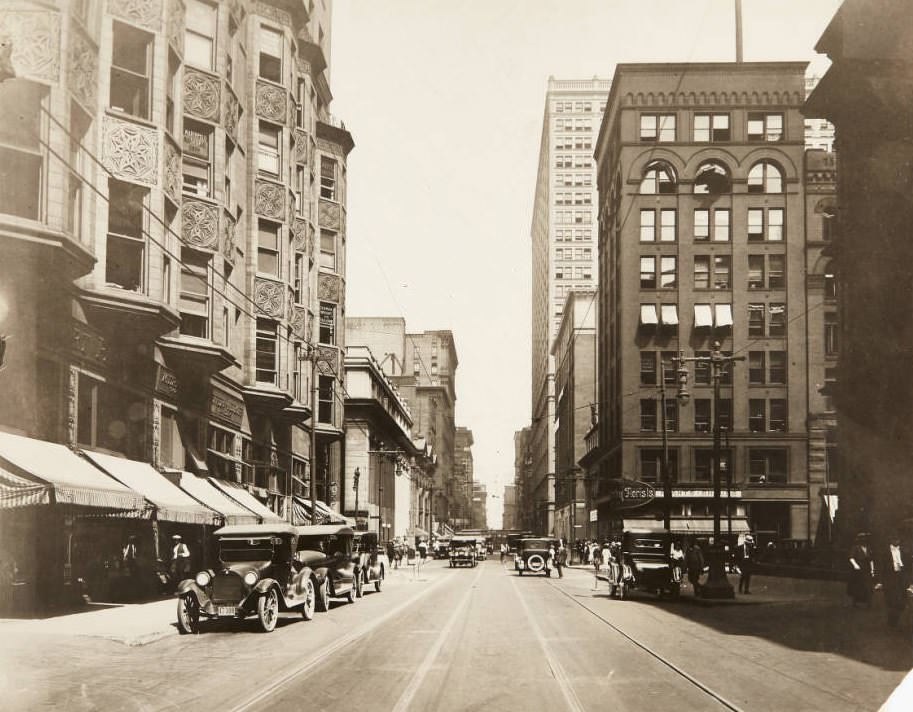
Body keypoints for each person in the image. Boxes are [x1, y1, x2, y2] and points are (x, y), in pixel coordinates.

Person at [881, 533, 907, 628]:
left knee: (901, 600)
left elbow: (907, 565)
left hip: (900, 577)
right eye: (894, 539)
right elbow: (882, 567)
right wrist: (881, 581)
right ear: (890, 540)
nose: (896, 541)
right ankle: (892, 620)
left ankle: (895, 616)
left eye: (898, 539)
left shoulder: (903, 551)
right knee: (891, 599)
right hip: (890, 577)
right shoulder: (885, 552)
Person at [847, 532, 875, 607]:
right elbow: (851, 557)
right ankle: (855, 602)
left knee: (868, 585)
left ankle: (869, 602)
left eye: (865, 539)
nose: (864, 540)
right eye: (862, 539)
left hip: (867, 568)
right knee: (857, 585)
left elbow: (871, 560)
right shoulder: (855, 547)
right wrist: (855, 565)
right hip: (858, 568)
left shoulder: (868, 548)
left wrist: (872, 569)